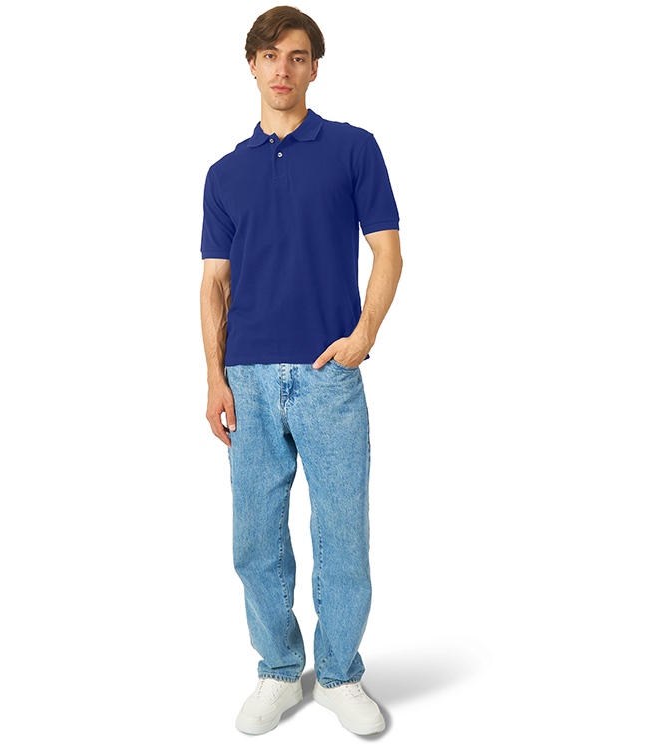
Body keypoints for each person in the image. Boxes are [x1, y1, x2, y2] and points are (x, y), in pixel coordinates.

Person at [198, 4, 403, 737]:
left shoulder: (353, 149)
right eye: (269, 56)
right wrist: (215, 377)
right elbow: (214, 284)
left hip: (328, 374)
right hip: (248, 377)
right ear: (251, 65)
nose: (282, 69)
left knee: (343, 533)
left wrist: (363, 335)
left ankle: (341, 673)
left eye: (296, 56)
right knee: (256, 538)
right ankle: (280, 670)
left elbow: (388, 251)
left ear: (314, 67)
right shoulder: (225, 173)